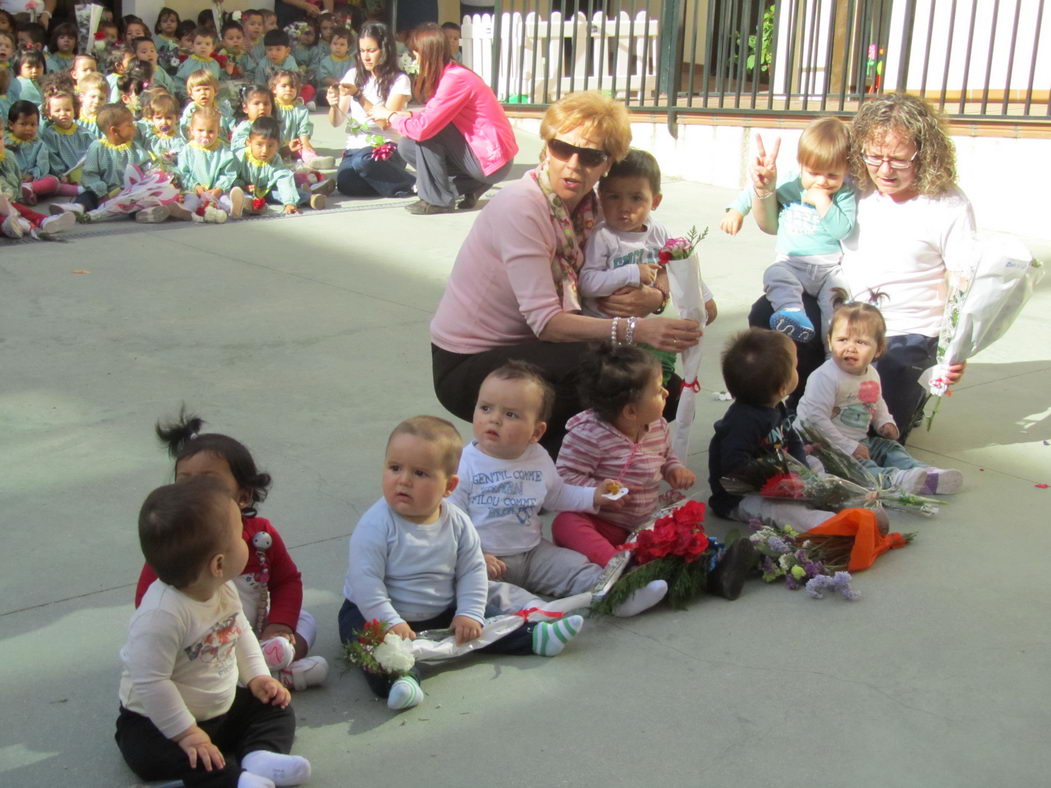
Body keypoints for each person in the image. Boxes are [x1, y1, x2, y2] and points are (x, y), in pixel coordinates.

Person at [430, 90, 701, 455]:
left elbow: (659, 251)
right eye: (562, 148)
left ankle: (579, 457)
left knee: (658, 392)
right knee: (608, 375)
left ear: (608, 164)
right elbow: (548, 323)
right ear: (546, 148)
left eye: (591, 156)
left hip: (538, 350)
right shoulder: (523, 207)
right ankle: (553, 463)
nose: (574, 164)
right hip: (471, 366)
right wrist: (636, 329)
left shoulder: (596, 206)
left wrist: (657, 294)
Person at [748, 93, 977, 440]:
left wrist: (955, 351)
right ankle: (796, 404)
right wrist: (764, 190)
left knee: (872, 430)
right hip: (840, 316)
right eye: (874, 156)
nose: (884, 169)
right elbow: (774, 225)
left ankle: (907, 398)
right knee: (768, 314)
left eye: (899, 160)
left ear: (925, 153)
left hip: (904, 333)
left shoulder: (948, 204)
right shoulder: (850, 185)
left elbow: (964, 281)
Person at [338, 415, 586, 712]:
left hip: (441, 606)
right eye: (394, 468)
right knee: (372, 648)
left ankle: (534, 638)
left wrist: (468, 612)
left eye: (420, 473)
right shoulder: (375, 526)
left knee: (489, 618)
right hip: (375, 611)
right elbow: (367, 584)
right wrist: (390, 622)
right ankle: (403, 680)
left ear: (449, 486)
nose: (403, 480)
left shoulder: (457, 523)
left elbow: (472, 570)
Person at [116, 476, 313, 788]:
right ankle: (235, 782)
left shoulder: (222, 589)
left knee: (275, 708)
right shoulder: (160, 616)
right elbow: (152, 682)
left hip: (222, 705)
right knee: (152, 756)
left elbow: (242, 633)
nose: (246, 539)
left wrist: (259, 677)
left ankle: (260, 755)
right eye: (239, 536)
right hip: (157, 721)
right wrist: (187, 733)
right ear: (218, 563)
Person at [448, 361, 670, 616]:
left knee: (576, 566)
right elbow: (452, 519)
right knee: (480, 591)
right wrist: (475, 556)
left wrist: (594, 495)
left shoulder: (537, 457)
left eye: (510, 414)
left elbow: (558, 494)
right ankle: (536, 612)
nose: (494, 419)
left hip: (533, 553)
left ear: (536, 431)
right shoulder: (463, 463)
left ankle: (619, 595)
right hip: (486, 561)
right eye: (485, 408)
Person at [134, 410, 329, 691]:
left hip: (255, 630)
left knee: (304, 621)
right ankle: (270, 677)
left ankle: (262, 668)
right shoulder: (175, 541)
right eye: (184, 482)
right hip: (202, 642)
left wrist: (279, 626)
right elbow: (147, 600)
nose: (194, 494)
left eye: (207, 483)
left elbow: (286, 580)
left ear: (244, 496)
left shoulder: (262, 535)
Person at [579, 148, 717, 382]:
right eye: (614, 196)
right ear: (600, 196)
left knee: (661, 372)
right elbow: (587, 284)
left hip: (639, 332)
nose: (624, 207)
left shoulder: (658, 232)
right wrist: (632, 272)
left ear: (655, 201)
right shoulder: (602, 236)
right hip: (601, 338)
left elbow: (680, 265)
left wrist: (705, 298)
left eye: (636, 198)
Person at [796, 301, 963, 494]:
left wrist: (885, 422)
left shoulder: (871, 374)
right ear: (830, 340)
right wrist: (849, 446)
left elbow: (875, 401)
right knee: (858, 470)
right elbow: (815, 421)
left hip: (859, 440)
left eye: (861, 342)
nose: (850, 348)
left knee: (890, 448)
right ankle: (895, 480)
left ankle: (924, 473)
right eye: (842, 340)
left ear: (878, 348)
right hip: (821, 445)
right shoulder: (825, 377)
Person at [551, 343, 694, 566]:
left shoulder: (657, 425)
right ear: (630, 411)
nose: (667, 392)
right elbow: (563, 478)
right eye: (657, 390)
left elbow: (665, 455)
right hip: (603, 523)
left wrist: (674, 469)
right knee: (565, 523)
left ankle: (690, 563)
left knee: (686, 522)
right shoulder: (589, 435)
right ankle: (615, 564)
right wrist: (597, 493)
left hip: (644, 522)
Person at [368, 22, 516, 214]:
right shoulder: (450, 73)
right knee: (407, 146)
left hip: (491, 159)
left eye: (416, 54)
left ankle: (437, 200)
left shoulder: (455, 78)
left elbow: (424, 128)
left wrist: (391, 115)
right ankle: (468, 187)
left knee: (426, 134)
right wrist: (409, 115)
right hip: (488, 159)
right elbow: (436, 113)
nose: (415, 59)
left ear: (428, 52)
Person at [708, 327, 840, 532]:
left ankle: (818, 496)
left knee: (814, 463)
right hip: (741, 497)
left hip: (776, 473)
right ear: (782, 387)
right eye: (795, 366)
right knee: (779, 512)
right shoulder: (742, 422)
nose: (799, 369)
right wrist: (776, 483)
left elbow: (792, 438)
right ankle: (824, 523)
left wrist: (800, 472)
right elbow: (734, 468)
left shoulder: (775, 404)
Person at [743, 116, 855, 343]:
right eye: (814, 173)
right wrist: (735, 211)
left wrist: (824, 203)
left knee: (836, 311)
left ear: (846, 170)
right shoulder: (790, 184)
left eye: (832, 175)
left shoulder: (844, 194)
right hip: (792, 264)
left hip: (829, 270)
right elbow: (752, 192)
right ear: (801, 164)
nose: (822, 181)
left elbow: (841, 230)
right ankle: (794, 314)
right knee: (774, 275)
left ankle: (833, 355)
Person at [326, 19, 415, 199]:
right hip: (355, 149)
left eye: (371, 50)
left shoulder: (399, 80)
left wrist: (358, 95)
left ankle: (413, 184)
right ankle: (387, 184)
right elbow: (336, 121)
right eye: (362, 51)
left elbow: (383, 123)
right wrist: (333, 104)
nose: (365, 56)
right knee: (346, 183)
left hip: (386, 147)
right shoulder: (352, 75)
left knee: (364, 162)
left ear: (385, 50)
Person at [236, 116, 327, 214]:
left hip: (267, 189)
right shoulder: (240, 157)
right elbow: (232, 176)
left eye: (270, 145)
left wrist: (290, 203)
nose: (265, 150)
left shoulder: (275, 159)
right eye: (259, 145)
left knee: (280, 193)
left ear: (278, 144)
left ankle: (310, 198)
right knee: (240, 194)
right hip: (246, 190)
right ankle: (251, 206)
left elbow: (283, 179)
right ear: (249, 142)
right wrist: (242, 186)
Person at [176, 106, 239, 222]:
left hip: (216, 191)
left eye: (210, 131)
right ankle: (184, 212)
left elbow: (228, 172)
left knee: (224, 199)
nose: (205, 135)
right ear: (192, 131)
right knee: (192, 200)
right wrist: (195, 187)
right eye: (200, 130)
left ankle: (234, 209)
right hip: (195, 190)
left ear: (218, 131)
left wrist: (220, 188)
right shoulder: (188, 150)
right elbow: (183, 172)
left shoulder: (223, 151)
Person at [6, 100, 58, 203]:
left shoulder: (39, 144)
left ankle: (28, 190)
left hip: (32, 181)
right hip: (10, 180)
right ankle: (23, 195)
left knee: (53, 181)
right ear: (11, 125)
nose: (29, 128)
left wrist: (32, 175)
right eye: (23, 124)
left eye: (33, 124)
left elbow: (42, 166)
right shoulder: (5, 142)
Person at [39, 90, 93, 189]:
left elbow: (93, 150)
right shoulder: (50, 134)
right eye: (57, 110)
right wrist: (60, 174)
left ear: (75, 110)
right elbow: (51, 156)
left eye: (67, 109)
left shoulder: (84, 132)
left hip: (84, 171)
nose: (63, 113)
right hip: (64, 175)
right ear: (49, 114)